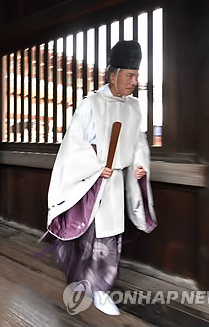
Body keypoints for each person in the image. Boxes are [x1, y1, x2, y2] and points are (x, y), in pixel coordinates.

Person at [41, 41, 157, 316]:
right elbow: (74, 143)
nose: (134, 81)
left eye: (136, 76)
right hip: (91, 181)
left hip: (116, 181)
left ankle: (101, 289)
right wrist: (94, 166)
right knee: (85, 236)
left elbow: (139, 141)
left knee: (109, 238)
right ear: (111, 75)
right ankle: (83, 283)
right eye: (129, 75)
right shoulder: (90, 104)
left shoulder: (134, 107)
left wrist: (140, 165)